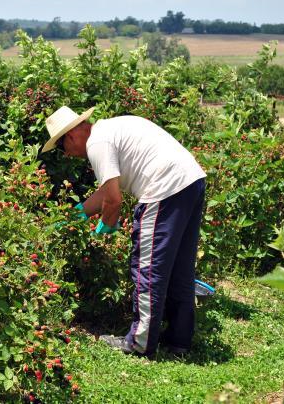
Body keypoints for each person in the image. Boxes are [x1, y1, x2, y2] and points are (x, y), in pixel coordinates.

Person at [42, 106, 206, 358]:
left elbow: (114, 200)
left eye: (62, 148)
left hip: (163, 190)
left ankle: (139, 343)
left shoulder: (97, 143)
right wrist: (75, 215)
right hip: (190, 181)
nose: (66, 155)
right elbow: (106, 193)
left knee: (148, 270)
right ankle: (178, 341)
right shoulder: (111, 129)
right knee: (179, 269)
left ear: (72, 135)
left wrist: (105, 229)